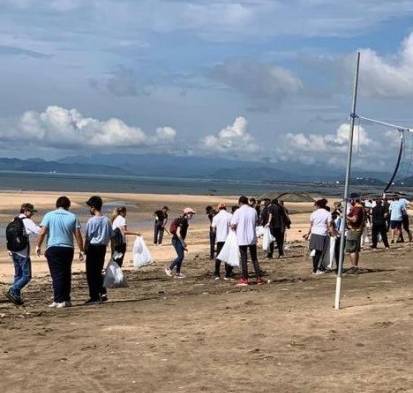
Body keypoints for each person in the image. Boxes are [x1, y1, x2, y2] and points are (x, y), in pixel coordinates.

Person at [36, 196, 84, 308]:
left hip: (53, 248)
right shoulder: (72, 216)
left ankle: (58, 300)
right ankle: (66, 299)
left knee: (56, 275)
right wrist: (81, 250)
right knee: (66, 273)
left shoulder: (49, 215)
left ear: (57, 205)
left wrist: (38, 246)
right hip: (67, 249)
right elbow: (78, 235)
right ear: (68, 206)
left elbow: (42, 232)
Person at [5, 203, 41, 306]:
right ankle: (13, 290)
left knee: (18, 274)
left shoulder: (14, 219)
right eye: (31, 212)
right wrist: (46, 227)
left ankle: (15, 296)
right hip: (22, 252)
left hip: (13, 251)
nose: (32, 214)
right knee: (27, 276)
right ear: (26, 211)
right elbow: (38, 231)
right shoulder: (27, 221)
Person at [84, 196, 113, 305]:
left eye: (90, 207)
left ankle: (94, 296)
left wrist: (84, 250)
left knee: (91, 273)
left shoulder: (92, 221)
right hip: (102, 248)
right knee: (98, 271)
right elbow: (111, 235)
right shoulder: (107, 220)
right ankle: (102, 293)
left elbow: (88, 237)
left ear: (93, 207)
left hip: (93, 247)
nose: (90, 209)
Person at [231, 196, 263, 286]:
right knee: (254, 258)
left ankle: (245, 278)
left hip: (242, 238)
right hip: (252, 237)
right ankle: (258, 277)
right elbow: (257, 221)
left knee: (244, 259)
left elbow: (233, 225)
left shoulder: (238, 211)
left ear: (240, 203)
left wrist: (234, 228)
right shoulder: (253, 210)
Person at [304, 199, 334, 274]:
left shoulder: (313, 214)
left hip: (314, 234)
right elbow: (329, 225)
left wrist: (308, 234)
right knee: (320, 253)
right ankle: (316, 269)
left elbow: (311, 225)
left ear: (318, 205)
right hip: (323, 234)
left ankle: (315, 268)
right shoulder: (328, 213)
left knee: (315, 252)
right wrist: (332, 233)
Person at [165, 208, 195, 278]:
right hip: (176, 240)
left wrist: (183, 245)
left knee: (181, 257)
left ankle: (178, 273)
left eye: (192, 214)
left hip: (178, 240)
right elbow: (178, 233)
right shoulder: (183, 220)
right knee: (180, 256)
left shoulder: (184, 220)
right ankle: (169, 269)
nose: (191, 215)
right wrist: (183, 243)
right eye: (190, 213)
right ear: (186, 214)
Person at [211, 203, 233, 280]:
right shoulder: (230, 216)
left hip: (220, 239)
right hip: (228, 239)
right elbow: (233, 227)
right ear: (225, 208)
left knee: (219, 256)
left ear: (219, 208)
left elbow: (213, 229)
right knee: (228, 256)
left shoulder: (216, 217)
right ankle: (228, 273)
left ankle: (217, 273)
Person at [345, 198, 365, 272]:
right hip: (357, 230)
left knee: (352, 249)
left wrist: (344, 216)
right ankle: (355, 266)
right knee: (355, 249)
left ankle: (354, 267)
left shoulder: (357, 208)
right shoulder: (361, 208)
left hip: (354, 230)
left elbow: (354, 219)